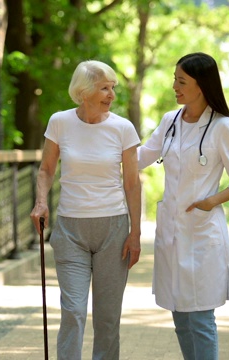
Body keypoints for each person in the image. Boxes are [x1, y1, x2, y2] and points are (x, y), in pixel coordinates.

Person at [137, 52, 229, 359]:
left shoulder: (222, 126)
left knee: (200, 319)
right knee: (179, 315)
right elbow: (140, 157)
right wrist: (103, 144)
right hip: (172, 231)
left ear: (201, 85)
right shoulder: (170, 121)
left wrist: (209, 202)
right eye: (174, 79)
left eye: (181, 81)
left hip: (202, 233)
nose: (174, 86)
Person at [30, 60, 142, 360]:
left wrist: (136, 233)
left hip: (113, 230)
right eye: (104, 88)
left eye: (113, 88)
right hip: (71, 230)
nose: (111, 95)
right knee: (74, 311)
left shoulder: (123, 128)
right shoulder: (60, 122)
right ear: (84, 91)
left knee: (107, 317)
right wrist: (41, 202)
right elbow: (46, 170)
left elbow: (132, 184)